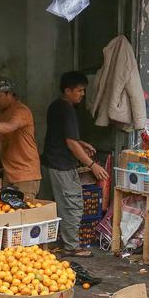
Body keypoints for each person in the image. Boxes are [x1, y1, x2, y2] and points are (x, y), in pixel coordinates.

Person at [40, 71, 109, 257]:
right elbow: (70, 142)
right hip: (61, 165)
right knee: (72, 205)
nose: (82, 94)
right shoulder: (67, 109)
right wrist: (92, 164)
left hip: (49, 162)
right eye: (79, 90)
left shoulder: (55, 106)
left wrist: (81, 143)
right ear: (67, 90)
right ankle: (72, 247)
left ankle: (48, 244)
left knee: (51, 205)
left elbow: (63, 136)